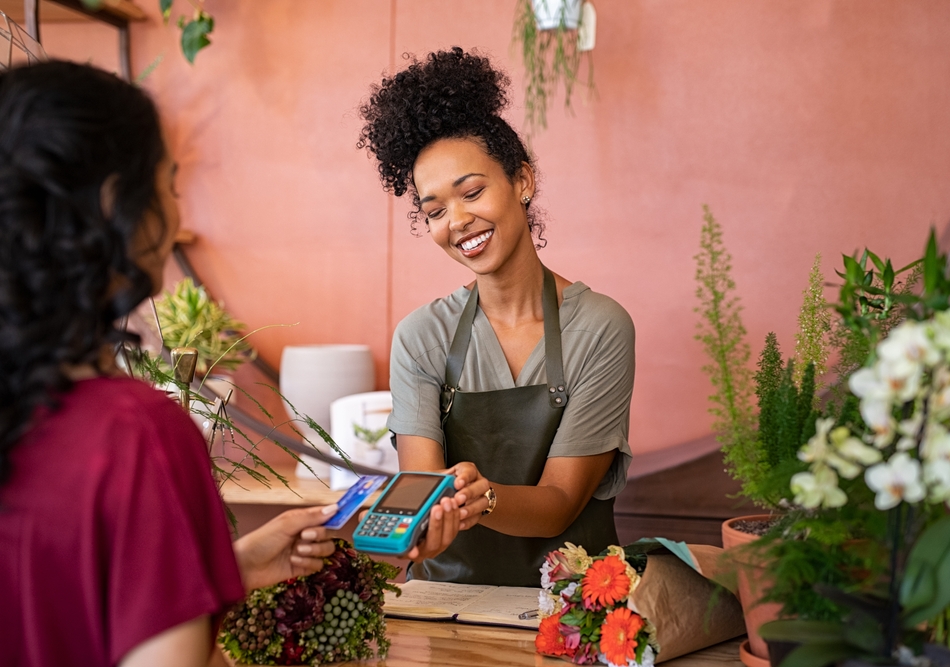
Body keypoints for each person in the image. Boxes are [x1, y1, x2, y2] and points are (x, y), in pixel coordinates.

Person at [0, 61, 339, 667]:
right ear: (114, 204)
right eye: (168, 185)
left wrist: (217, 570)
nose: (177, 217)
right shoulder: (136, 434)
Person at [358, 47, 635, 586]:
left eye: (473, 192)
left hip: (575, 606)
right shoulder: (421, 337)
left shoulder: (601, 327)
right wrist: (416, 522)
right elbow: (421, 490)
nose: (457, 221)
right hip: (450, 608)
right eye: (434, 211)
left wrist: (478, 496)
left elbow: (560, 501)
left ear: (523, 181)